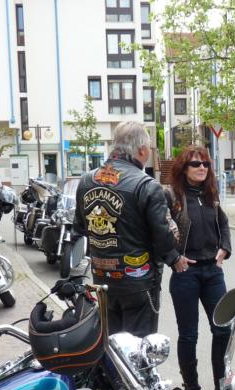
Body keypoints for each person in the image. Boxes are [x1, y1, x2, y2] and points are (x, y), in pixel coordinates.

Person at [74, 120, 188, 337]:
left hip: (102, 278)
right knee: (138, 346)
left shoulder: (87, 181)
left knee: (110, 343)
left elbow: (80, 227)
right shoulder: (146, 185)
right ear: (142, 150)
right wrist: (175, 258)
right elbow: (162, 234)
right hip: (138, 281)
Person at [166, 146, 233, 390]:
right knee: (189, 335)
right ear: (184, 169)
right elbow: (159, 229)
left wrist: (224, 248)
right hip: (186, 273)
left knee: (223, 329)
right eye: (196, 164)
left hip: (213, 272)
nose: (202, 167)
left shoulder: (210, 194)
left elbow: (223, 223)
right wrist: (173, 258)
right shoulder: (172, 196)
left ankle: (220, 388)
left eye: (205, 163)